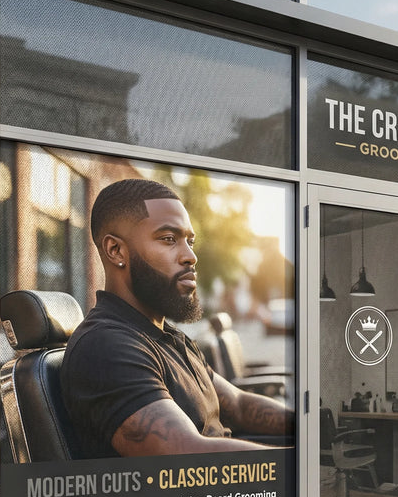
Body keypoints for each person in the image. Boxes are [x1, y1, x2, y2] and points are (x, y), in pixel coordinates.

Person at [61, 178, 293, 458]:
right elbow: (185, 456)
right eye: (169, 239)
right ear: (116, 251)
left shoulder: (167, 337)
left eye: (189, 241)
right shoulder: (106, 346)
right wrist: (305, 464)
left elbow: (239, 406)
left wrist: (313, 430)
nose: (190, 256)